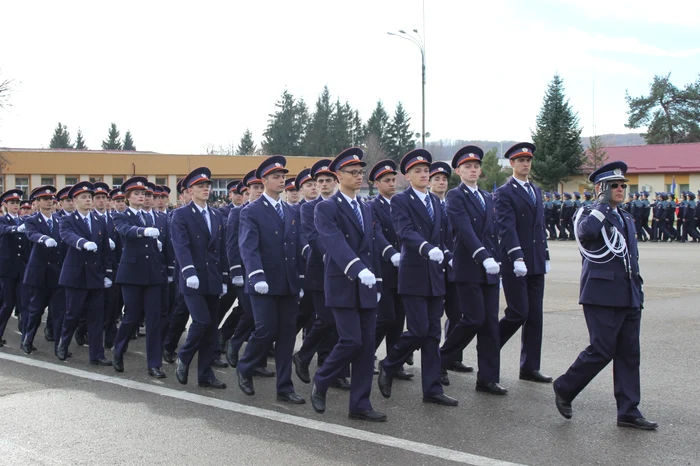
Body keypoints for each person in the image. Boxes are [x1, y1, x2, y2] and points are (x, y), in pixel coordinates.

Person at [553, 161, 657, 431]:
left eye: (624, 184)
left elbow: (630, 257)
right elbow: (587, 234)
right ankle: (565, 387)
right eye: (615, 185)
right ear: (601, 189)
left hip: (628, 294)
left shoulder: (626, 217)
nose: (621, 188)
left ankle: (628, 411)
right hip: (601, 294)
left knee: (629, 354)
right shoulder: (588, 213)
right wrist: (600, 205)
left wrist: (638, 291)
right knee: (601, 350)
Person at [311, 147, 387, 422]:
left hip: (366, 286)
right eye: (353, 173)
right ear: (338, 175)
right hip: (343, 284)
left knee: (366, 347)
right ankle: (321, 379)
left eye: (361, 172)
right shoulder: (326, 207)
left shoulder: (365, 208)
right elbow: (335, 243)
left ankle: (360, 405)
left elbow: (372, 247)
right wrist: (357, 269)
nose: (359, 177)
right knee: (351, 341)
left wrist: (376, 281)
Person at [378, 149, 459, 407]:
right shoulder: (401, 201)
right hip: (413, 275)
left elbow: (442, 237)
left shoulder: (436, 201)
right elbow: (405, 232)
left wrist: (448, 254)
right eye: (418, 172)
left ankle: (432, 389)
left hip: (435, 276)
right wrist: (427, 249)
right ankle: (389, 363)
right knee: (419, 330)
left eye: (426, 171)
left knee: (434, 334)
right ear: (407, 176)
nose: (424, 175)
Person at [236, 156, 306, 403]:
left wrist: (301, 278)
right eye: (276, 177)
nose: (281, 180)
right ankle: (245, 367)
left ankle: (284, 387)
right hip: (263, 282)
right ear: (264, 181)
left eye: (283, 177)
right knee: (265, 330)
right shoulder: (251, 211)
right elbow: (248, 247)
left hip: (287, 283)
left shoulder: (290, 210)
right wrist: (256, 275)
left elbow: (296, 246)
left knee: (287, 336)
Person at [439, 146, 506, 395]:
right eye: (467, 166)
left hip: (489, 269)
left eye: (476, 166)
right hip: (468, 267)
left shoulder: (488, 197)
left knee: (490, 325)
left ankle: (488, 378)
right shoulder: (456, 196)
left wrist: (498, 262)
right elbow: (464, 230)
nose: (473, 170)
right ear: (458, 170)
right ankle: (440, 360)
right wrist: (482, 256)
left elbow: (493, 233)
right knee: (473, 319)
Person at [494, 142, 552, 383]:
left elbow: (539, 227)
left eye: (528, 160)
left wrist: (544, 254)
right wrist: (517, 256)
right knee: (518, 313)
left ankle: (529, 366)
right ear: (512, 164)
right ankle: (489, 346)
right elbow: (506, 228)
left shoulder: (535, 190)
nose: (525, 164)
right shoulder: (505, 192)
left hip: (536, 261)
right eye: (520, 160)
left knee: (535, 316)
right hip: (515, 263)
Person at [294, 159, 353, 390]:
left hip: (346, 273)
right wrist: (337, 256)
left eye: (329, 180)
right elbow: (312, 237)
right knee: (327, 319)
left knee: (339, 325)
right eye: (320, 181)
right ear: (316, 185)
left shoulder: (345, 204)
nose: (325, 184)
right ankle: (303, 355)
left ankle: (334, 371)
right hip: (321, 273)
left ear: (336, 180)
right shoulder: (309, 208)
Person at [170, 167, 227, 389]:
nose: (206, 189)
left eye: (207, 186)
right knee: (201, 321)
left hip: (212, 277)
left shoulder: (216, 215)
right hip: (192, 277)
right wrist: (189, 271)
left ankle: (205, 375)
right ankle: (184, 356)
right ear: (189, 190)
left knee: (211, 327)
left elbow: (220, 249)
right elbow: (181, 246)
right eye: (200, 186)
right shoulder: (181, 215)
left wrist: (223, 276)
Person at [111, 177, 168, 377]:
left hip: (152, 273)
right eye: (136, 194)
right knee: (131, 316)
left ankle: (154, 363)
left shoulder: (150, 216)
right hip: (132, 273)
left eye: (143, 194)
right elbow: (126, 231)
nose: (141, 197)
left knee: (154, 320)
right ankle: (118, 351)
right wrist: (143, 231)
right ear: (127, 197)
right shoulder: (121, 216)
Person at [55, 182, 113, 365]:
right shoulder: (67, 220)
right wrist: (82, 242)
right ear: (74, 201)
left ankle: (97, 355)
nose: (88, 200)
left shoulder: (99, 220)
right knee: (72, 314)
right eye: (84, 197)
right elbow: (66, 235)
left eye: (90, 197)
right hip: (76, 276)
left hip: (95, 276)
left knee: (96, 318)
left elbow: (105, 251)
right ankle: (63, 345)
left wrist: (107, 273)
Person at [368, 160, 413, 380]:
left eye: (393, 180)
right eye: (387, 180)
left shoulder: (401, 203)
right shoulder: (372, 206)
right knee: (385, 318)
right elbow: (376, 235)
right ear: (377, 183)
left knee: (398, 319)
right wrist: (389, 253)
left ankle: (394, 362)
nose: (392, 184)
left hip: (403, 269)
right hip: (383, 268)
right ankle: (367, 356)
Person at [225, 173, 273, 377]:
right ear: (247, 192)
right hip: (245, 273)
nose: (260, 192)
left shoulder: (267, 211)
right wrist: (236, 271)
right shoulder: (239, 213)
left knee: (261, 320)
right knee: (252, 315)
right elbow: (233, 245)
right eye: (255, 189)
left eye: (261, 188)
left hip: (265, 274)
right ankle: (233, 344)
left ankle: (258, 362)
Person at [20, 186, 66, 355]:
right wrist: (43, 238)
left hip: (56, 273)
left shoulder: (60, 220)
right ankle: (28, 339)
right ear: (37, 203)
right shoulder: (32, 220)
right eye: (44, 199)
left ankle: (59, 347)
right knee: (36, 310)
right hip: (39, 273)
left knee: (59, 312)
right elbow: (31, 234)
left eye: (51, 199)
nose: (49, 201)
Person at [0, 189, 30, 348]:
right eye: (12, 203)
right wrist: (15, 229)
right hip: (7, 270)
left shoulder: (23, 221)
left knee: (24, 304)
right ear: (5, 204)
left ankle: (26, 340)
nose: (15, 206)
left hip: (22, 269)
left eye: (17, 203)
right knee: (7, 304)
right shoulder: (3, 220)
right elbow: (3, 230)